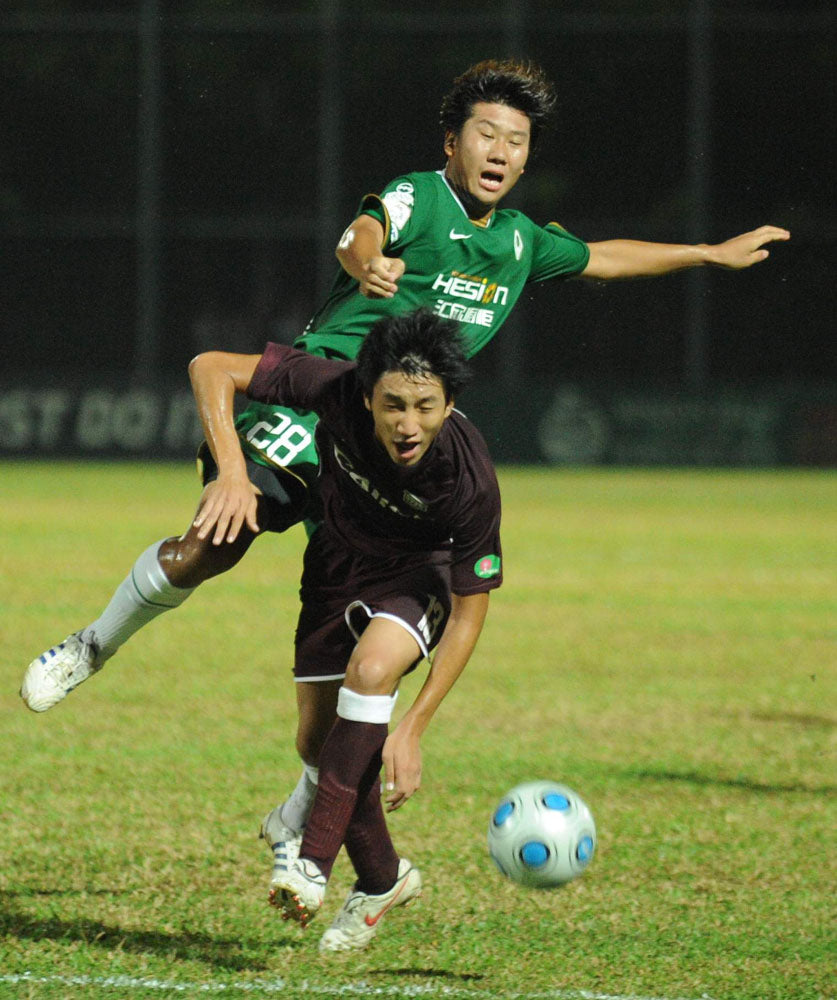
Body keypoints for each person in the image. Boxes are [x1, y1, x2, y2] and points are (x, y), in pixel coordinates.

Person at [20, 58, 789, 899]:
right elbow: (362, 232)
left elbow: (602, 257)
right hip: (320, 405)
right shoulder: (419, 198)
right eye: (485, 134)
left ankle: (307, 826)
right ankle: (92, 644)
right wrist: (366, 264)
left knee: (352, 680)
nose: (500, 151)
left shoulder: (520, 243)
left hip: (397, 448)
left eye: (516, 141)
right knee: (216, 545)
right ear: (451, 142)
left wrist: (706, 253)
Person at [188, 308, 502, 951]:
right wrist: (232, 471)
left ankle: (312, 861)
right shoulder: (333, 387)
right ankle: (383, 879)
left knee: (372, 670)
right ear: (366, 396)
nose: (407, 425)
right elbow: (211, 368)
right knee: (320, 743)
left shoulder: (469, 477)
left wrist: (412, 726)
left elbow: (471, 611)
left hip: (419, 575)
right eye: (393, 405)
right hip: (336, 566)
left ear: (448, 405)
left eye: (425, 407)